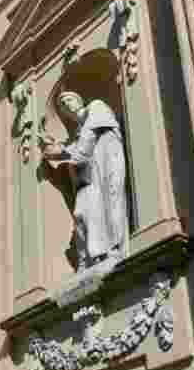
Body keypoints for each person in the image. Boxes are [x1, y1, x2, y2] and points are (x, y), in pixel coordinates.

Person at [40, 92, 129, 272]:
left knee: (112, 200)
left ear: (80, 100)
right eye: (63, 105)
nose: (67, 105)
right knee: (84, 212)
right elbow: (74, 150)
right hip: (92, 176)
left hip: (108, 164)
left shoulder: (96, 106)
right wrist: (51, 150)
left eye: (69, 100)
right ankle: (92, 257)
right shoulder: (79, 134)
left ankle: (114, 250)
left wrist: (63, 152)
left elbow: (83, 147)